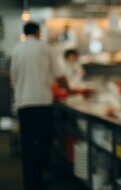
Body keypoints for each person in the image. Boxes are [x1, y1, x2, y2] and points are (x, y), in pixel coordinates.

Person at [10, 22, 72, 190]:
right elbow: (59, 76)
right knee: (43, 141)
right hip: (42, 102)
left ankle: (30, 181)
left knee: (27, 142)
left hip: (23, 102)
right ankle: (41, 178)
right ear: (38, 32)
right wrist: (69, 90)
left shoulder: (16, 50)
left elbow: (13, 79)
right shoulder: (45, 49)